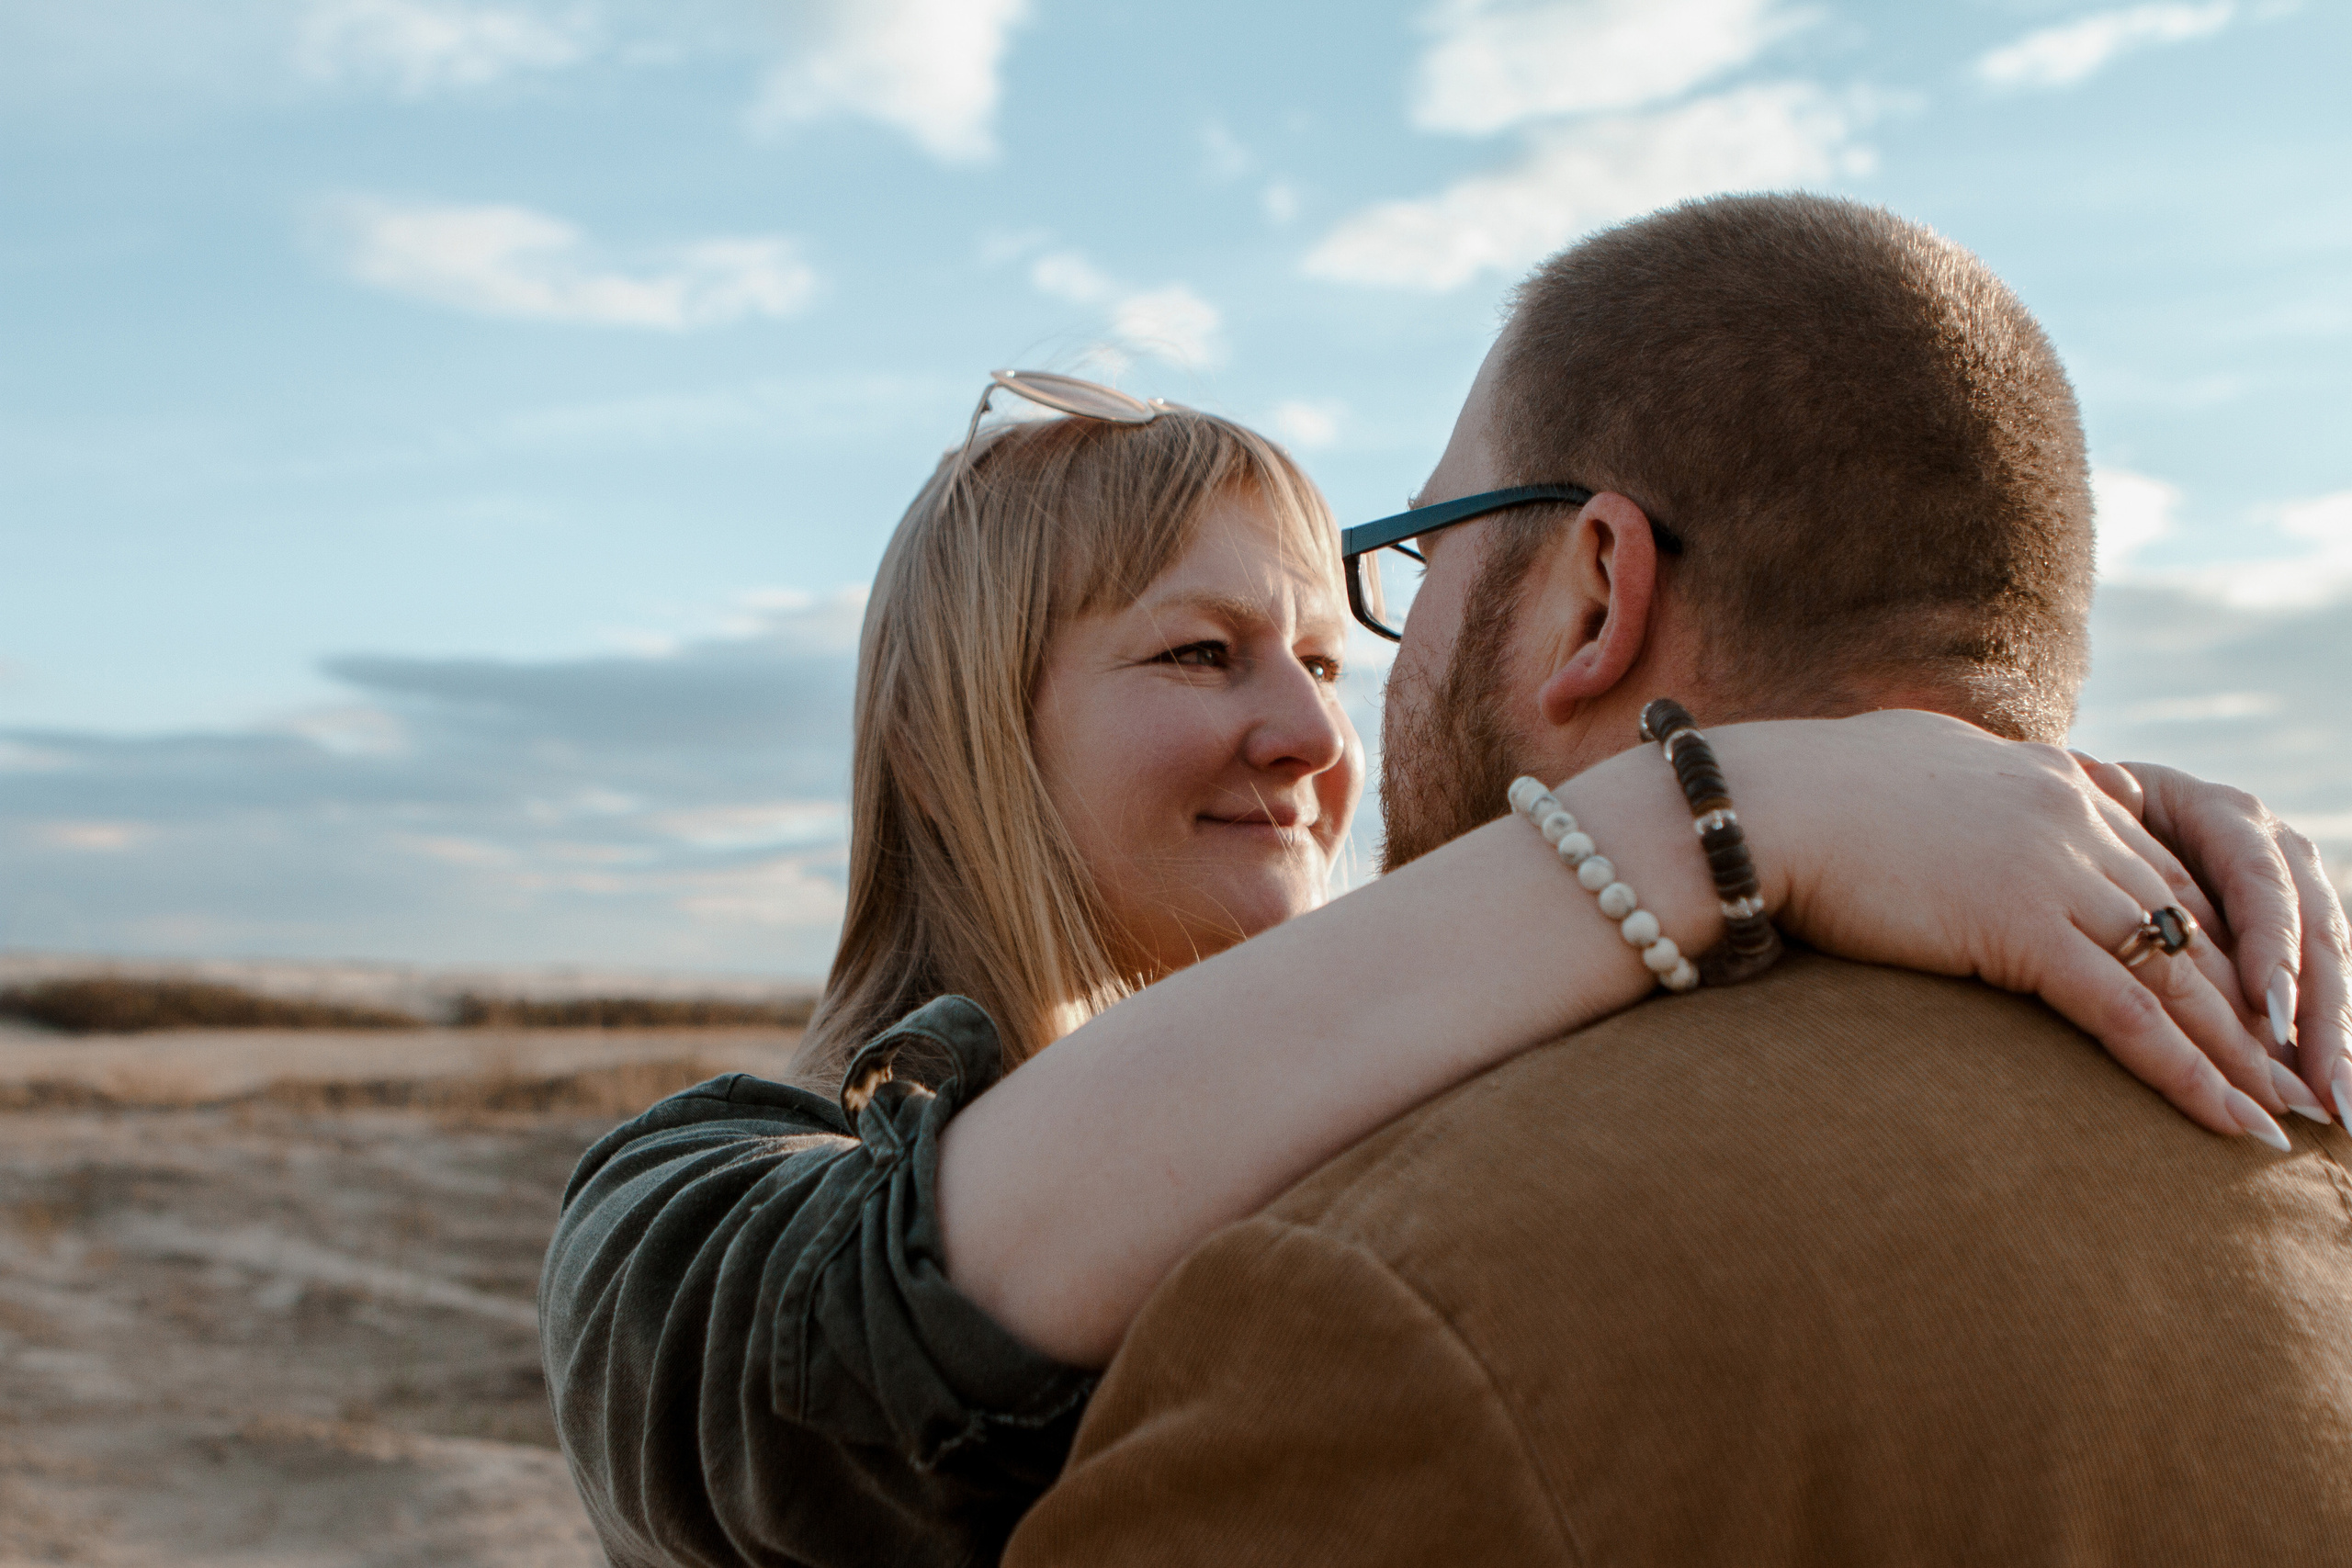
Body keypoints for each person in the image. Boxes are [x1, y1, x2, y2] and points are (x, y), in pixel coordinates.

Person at [538, 289, 2346, 1565]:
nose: (1318, 737)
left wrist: (2037, 814)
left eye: (1326, 657)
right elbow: (799, 1352)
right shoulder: (680, 1206)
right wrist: (1735, 805)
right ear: (959, 734)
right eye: (1199, 651)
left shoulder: (1437, 1133)